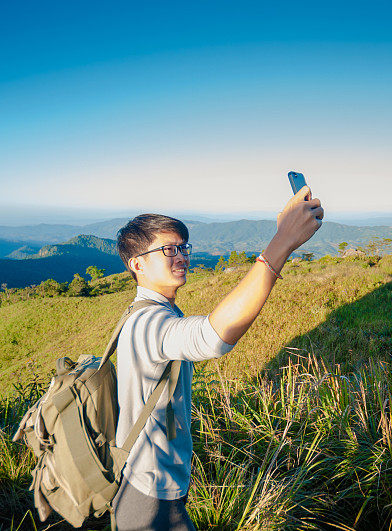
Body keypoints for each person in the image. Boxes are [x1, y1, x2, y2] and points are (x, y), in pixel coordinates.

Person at [112, 186, 324, 530]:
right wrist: (281, 241)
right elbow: (212, 337)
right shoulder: (147, 322)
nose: (181, 256)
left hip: (153, 487)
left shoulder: (154, 311)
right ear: (137, 264)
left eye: (183, 247)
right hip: (149, 499)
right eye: (168, 249)